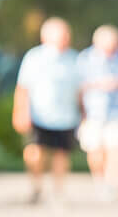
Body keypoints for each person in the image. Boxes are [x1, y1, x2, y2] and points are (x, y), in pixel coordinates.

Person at [13, 18, 82, 206]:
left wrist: (84, 114)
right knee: (35, 152)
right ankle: (36, 187)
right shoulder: (34, 57)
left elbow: (80, 90)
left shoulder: (74, 59)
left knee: (62, 154)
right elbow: (23, 88)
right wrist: (20, 111)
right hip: (39, 114)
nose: (66, 38)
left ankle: (58, 192)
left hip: (66, 116)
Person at [77, 25, 118, 203]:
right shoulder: (85, 59)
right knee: (95, 150)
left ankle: (113, 184)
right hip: (93, 112)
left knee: (117, 148)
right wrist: (100, 84)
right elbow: (78, 87)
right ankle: (100, 180)